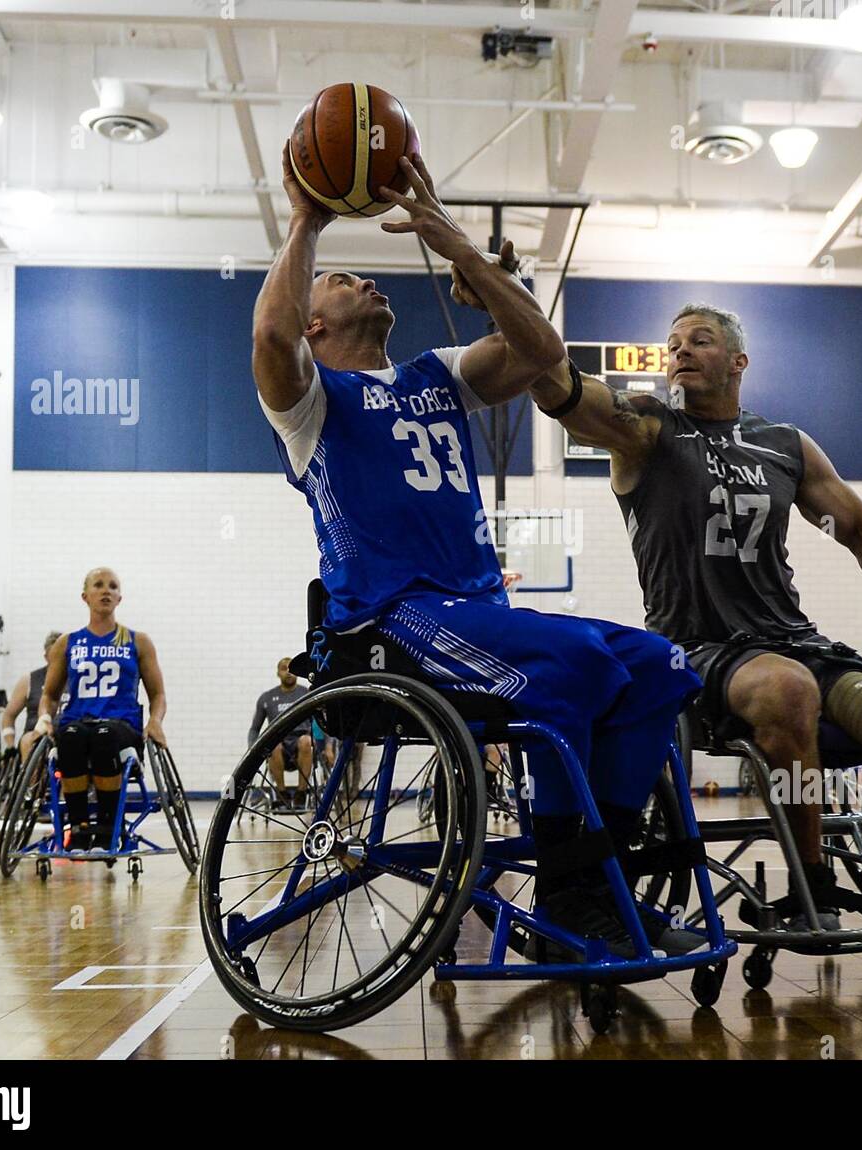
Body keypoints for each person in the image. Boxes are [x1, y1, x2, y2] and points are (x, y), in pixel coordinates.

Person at [251, 147, 701, 956]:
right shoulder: (309, 405)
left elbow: (542, 353)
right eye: (343, 280)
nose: (370, 282)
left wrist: (462, 251)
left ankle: (597, 881)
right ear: (316, 323)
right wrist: (308, 218)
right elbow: (271, 330)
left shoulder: (436, 375)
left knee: (661, 665)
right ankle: (572, 893)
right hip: (390, 623)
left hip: (477, 615)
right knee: (578, 668)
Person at [518, 301, 862, 930]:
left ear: (738, 361)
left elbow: (860, 526)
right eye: (672, 343)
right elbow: (560, 389)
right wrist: (506, 302)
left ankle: (832, 839)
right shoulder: (646, 430)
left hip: (792, 639)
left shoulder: (785, 445)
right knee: (788, 690)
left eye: (698, 341)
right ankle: (813, 887)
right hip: (697, 649)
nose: (679, 351)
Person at [35, 568, 167, 852]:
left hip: (121, 725)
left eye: (113, 586)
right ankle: (80, 828)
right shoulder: (67, 642)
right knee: (69, 735)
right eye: (99, 585)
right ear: (85, 596)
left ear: (120, 597)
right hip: (78, 721)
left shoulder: (137, 641)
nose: (106, 590)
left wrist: (155, 722)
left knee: (104, 736)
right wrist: (44, 718)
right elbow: (49, 694)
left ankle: (109, 827)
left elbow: (157, 694)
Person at [248, 657, 314, 811]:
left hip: (302, 742)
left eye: (291, 669)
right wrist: (252, 749)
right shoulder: (267, 697)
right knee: (273, 745)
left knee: (306, 741)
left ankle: (301, 793)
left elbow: (322, 722)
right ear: (278, 673)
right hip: (279, 743)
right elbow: (254, 729)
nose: (288, 672)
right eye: (284, 668)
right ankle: (281, 793)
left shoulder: (307, 693)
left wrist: (328, 746)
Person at [1, 632, 65, 766]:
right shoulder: (29, 680)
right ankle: (32, 784)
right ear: (46, 656)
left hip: (67, 733)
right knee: (28, 741)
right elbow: (9, 715)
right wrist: (10, 745)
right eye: (54, 655)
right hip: (37, 734)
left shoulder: (78, 679)